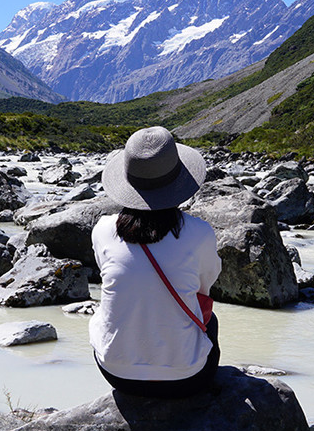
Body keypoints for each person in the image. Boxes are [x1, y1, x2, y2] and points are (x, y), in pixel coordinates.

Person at [89, 125, 222, 398]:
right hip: (187, 377)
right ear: (178, 181)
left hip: (116, 374)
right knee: (212, 321)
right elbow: (205, 288)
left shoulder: (102, 229)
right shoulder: (199, 233)